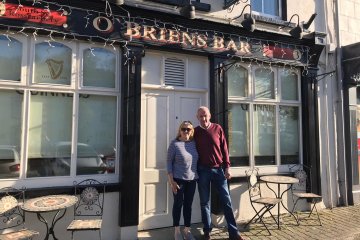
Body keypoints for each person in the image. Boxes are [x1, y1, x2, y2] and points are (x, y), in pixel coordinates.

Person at [194, 106, 244, 240]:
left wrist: (227, 167)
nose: (203, 118)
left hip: (218, 170)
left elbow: (225, 149)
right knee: (205, 202)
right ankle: (207, 231)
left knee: (226, 201)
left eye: (205, 115)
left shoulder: (217, 128)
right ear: (197, 117)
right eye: (200, 116)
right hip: (202, 170)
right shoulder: (195, 132)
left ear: (209, 116)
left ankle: (233, 232)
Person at [167, 121, 198, 240]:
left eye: (188, 129)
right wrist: (171, 181)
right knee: (178, 204)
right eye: (183, 129)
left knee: (188, 205)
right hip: (178, 180)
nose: (186, 131)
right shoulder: (174, 144)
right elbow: (169, 162)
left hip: (192, 179)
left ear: (192, 131)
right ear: (179, 130)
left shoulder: (194, 143)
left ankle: (187, 230)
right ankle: (176, 230)